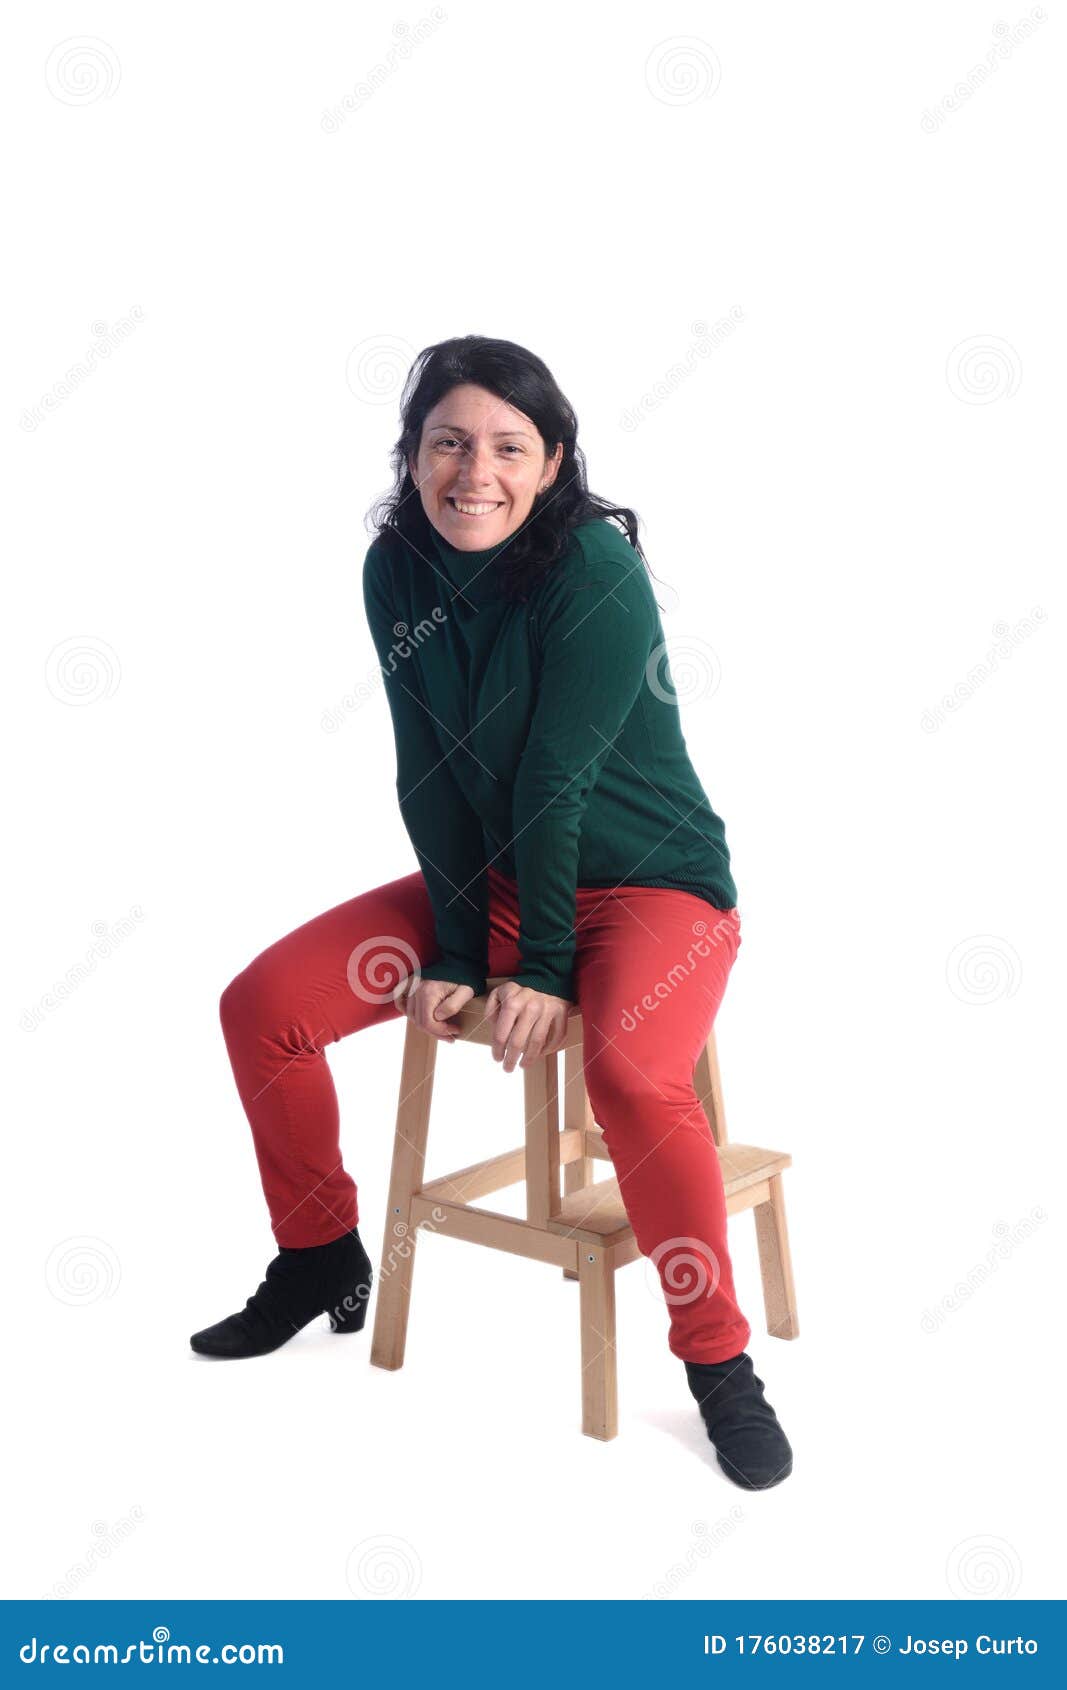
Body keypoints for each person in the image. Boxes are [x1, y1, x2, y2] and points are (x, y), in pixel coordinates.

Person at [189, 334, 793, 1491]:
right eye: (448, 443)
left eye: (509, 447)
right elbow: (428, 769)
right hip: (500, 882)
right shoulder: (396, 571)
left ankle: (717, 1361)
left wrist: (544, 967)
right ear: (412, 456)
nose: (476, 471)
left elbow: (554, 780)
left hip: (651, 889)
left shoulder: (591, 569)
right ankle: (319, 1254)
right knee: (262, 1006)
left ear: (552, 460)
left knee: (626, 1077)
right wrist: (464, 947)